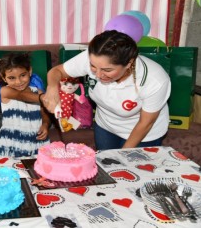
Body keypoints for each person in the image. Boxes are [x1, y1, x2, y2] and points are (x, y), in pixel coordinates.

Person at [42, 30, 171, 150]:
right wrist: (52, 88)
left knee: (128, 169)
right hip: (105, 126)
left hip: (143, 133)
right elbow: (57, 71)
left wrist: (122, 154)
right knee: (105, 165)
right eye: (93, 67)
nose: (97, 75)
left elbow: (145, 123)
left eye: (107, 70)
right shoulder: (94, 59)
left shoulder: (155, 80)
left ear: (129, 63)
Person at [0, 53, 50, 157]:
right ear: (4, 77)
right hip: (11, 142)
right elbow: (20, 95)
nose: (18, 82)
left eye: (22, 75)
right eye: (12, 78)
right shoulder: (5, 91)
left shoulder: (38, 92)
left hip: (35, 141)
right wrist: (43, 98)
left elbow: (44, 113)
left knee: (37, 171)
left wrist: (45, 124)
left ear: (30, 71)